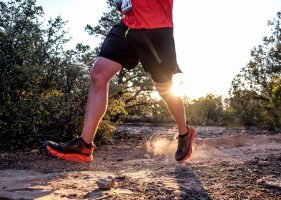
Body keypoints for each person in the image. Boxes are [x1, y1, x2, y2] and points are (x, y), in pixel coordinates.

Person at [45, 0, 197, 163]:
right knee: (98, 74)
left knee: (165, 89)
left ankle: (185, 133)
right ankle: (84, 145)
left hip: (157, 27)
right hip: (129, 25)